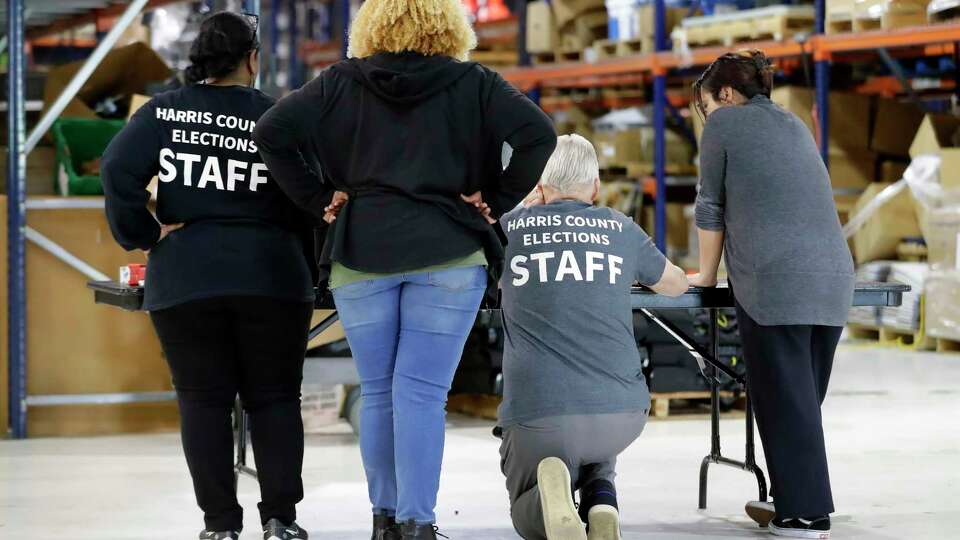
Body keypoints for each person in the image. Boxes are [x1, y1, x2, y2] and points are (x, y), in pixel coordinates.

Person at [252, 1, 557, 538]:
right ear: (448, 26)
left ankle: (383, 519)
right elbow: (539, 135)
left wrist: (319, 197)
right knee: (421, 393)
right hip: (450, 253)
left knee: (377, 391)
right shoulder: (477, 83)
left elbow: (273, 131)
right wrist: (498, 198)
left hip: (361, 251)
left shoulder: (337, 83)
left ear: (372, 26)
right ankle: (418, 524)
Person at [101, 12, 315, 540]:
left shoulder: (163, 113)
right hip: (271, 276)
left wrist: (144, 236)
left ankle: (220, 526)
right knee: (275, 398)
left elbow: (115, 170)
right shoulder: (277, 117)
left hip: (187, 277)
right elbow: (314, 194)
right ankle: (280, 521)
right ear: (251, 58)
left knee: (203, 401)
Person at [690, 50, 855, 539]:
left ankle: (805, 515)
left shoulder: (725, 127)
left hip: (775, 280)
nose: (707, 118)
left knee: (784, 401)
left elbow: (710, 205)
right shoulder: (794, 124)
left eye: (706, 106)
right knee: (801, 400)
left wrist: (704, 275)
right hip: (832, 279)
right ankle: (794, 498)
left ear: (725, 94)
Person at [497, 135, 689, 540]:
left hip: (539, 415)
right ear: (596, 187)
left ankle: (549, 504)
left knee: (524, 510)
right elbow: (674, 284)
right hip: (622, 414)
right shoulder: (620, 228)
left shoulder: (509, 228)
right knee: (597, 452)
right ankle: (602, 506)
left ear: (539, 185)